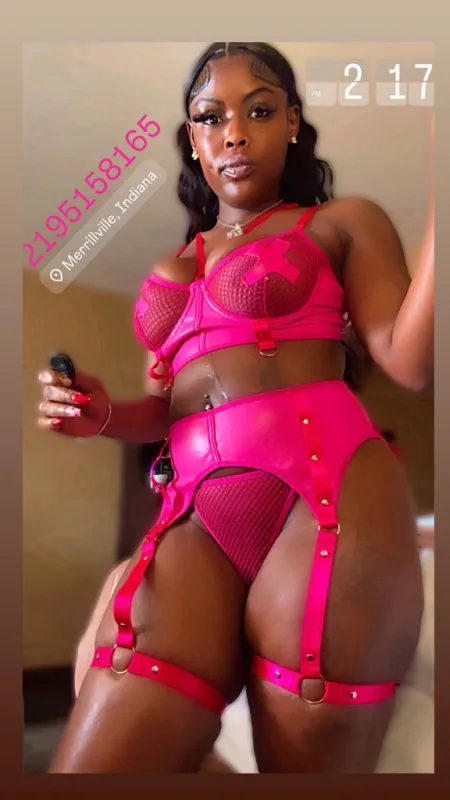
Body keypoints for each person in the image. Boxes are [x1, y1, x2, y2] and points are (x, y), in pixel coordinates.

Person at [36, 42, 434, 773]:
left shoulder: (341, 221)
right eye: (211, 117)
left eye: (259, 110)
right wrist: (102, 415)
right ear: (193, 139)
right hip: (193, 512)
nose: (234, 134)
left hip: (325, 496)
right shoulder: (176, 262)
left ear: (292, 123)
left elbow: (408, 361)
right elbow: (164, 408)